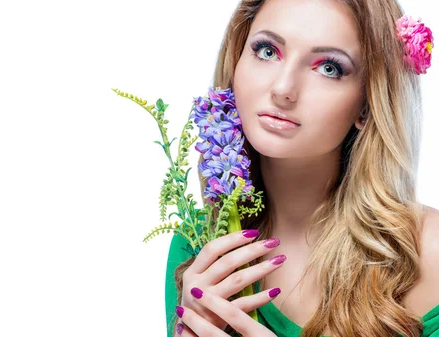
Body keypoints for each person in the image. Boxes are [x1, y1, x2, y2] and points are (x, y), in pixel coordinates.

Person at [164, 0, 438, 336]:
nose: (283, 89)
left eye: (328, 68)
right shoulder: (200, 243)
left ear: (367, 105)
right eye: (267, 50)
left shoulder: (429, 254)